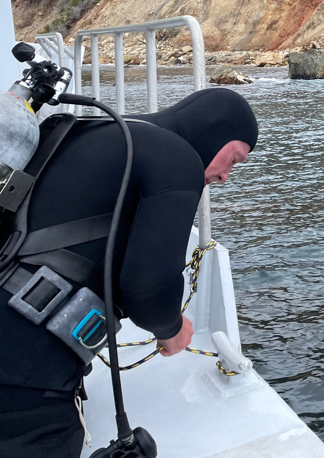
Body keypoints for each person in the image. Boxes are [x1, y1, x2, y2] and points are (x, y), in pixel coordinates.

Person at [0, 88, 258, 458]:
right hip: (23, 374)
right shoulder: (178, 158)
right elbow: (148, 291)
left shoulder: (93, 129)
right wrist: (172, 329)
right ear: (216, 132)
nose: (226, 176)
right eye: (234, 158)